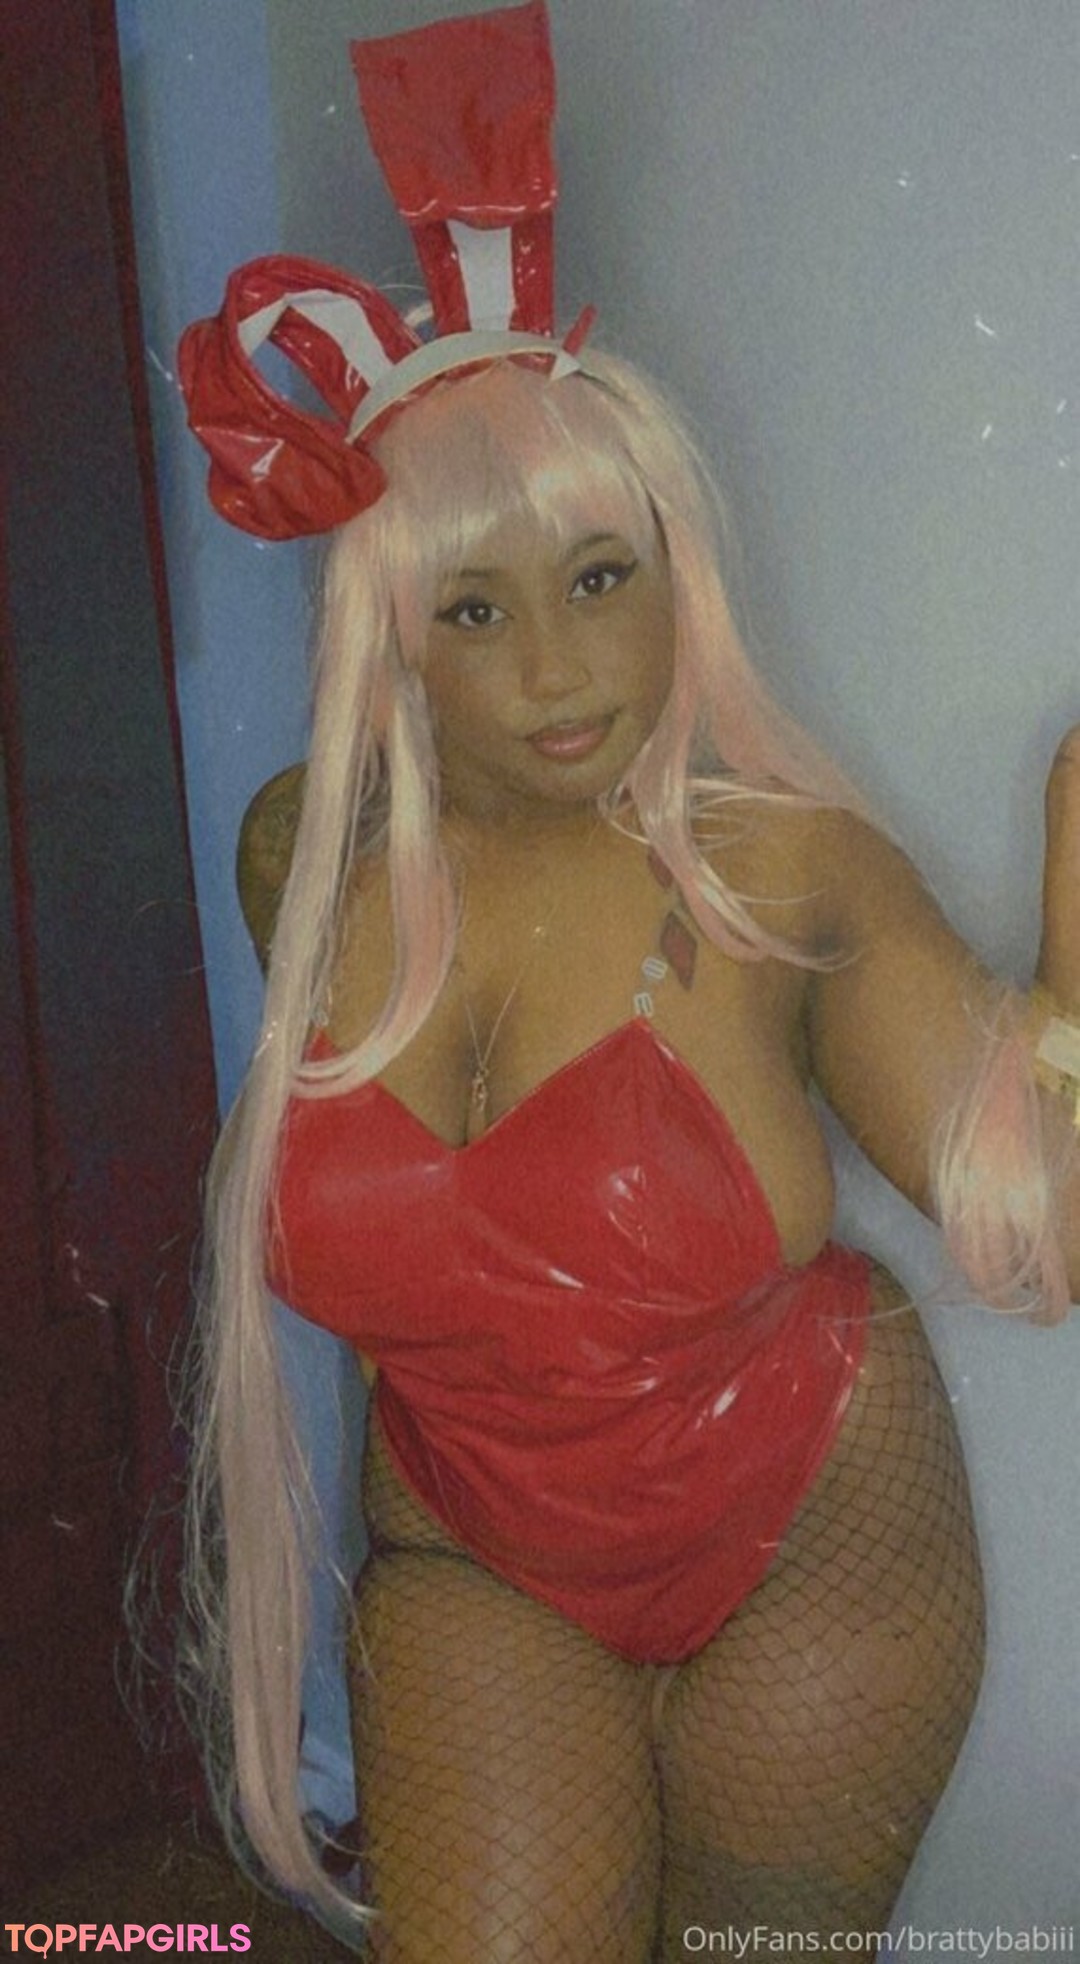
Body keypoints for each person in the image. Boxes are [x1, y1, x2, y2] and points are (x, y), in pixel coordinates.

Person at [177, 6, 1080, 1956]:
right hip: (470, 1549)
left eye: (601, 577)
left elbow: (1049, 1245)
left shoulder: (783, 874)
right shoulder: (300, 858)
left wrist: (1074, 888)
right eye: (474, 609)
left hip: (808, 1523)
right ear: (391, 637)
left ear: (679, 571)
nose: (556, 672)